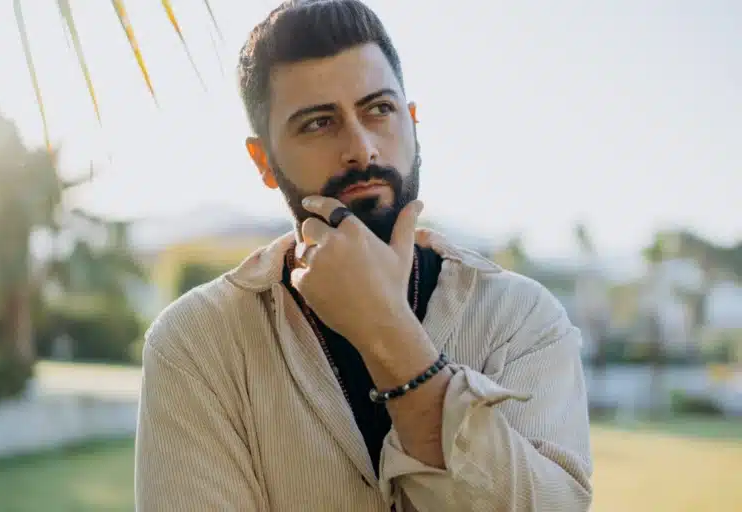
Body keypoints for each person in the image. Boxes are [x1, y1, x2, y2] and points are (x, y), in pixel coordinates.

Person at [134, 1, 593, 510]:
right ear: (263, 160)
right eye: (317, 123)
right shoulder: (195, 345)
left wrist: (387, 332)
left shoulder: (522, 318)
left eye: (379, 110)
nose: (361, 149)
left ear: (413, 123)